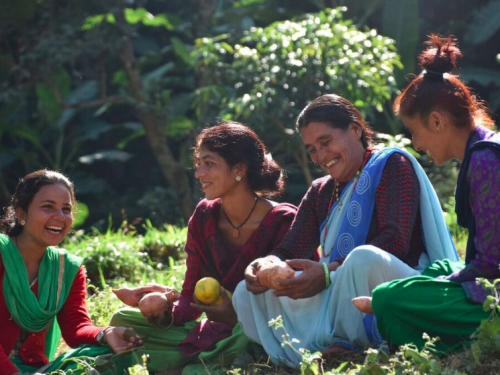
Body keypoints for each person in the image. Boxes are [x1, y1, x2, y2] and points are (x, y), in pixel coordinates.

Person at [232, 94, 458, 367]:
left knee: (363, 258)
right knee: (245, 292)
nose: (320, 156)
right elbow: (290, 248)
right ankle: (303, 349)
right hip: (338, 288)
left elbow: (394, 241)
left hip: (395, 282)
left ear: (355, 129)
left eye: (325, 142)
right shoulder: (320, 190)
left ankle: (350, 342)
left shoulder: (392, 165)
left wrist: (329, 272)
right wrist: (264, 265)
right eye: (312, 149)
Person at [110, 122, 297, 374]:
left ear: (239, 168)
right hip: (216, 331)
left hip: (261, 329)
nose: (198, 173)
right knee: (123, 321)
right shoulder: (204, 216)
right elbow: (191, 296)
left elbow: (293, 303)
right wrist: (165, 309)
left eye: (208, 163)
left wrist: (235, 316)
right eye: (198, 163)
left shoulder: (282, 220)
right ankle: (202, 363)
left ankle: (191, 367)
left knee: (248, 338)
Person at [353, 35, 500, 354]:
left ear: (437, 121)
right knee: (437, 268)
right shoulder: (481, 151)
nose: (416, 144)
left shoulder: (487, 161)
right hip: (489, 287)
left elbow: (490, 264)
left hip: (494, 299)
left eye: (414, 132)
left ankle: (437, 340)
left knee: (389, 297)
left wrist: (442, 285)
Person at [0, 170, 141, 375]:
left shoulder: (65, 268)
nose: (60, 217)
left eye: (66, 209)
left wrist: (106, 333)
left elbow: (76, 327)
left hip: (38, 370)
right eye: (47, 207)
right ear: (22, 214)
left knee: (108, 356)